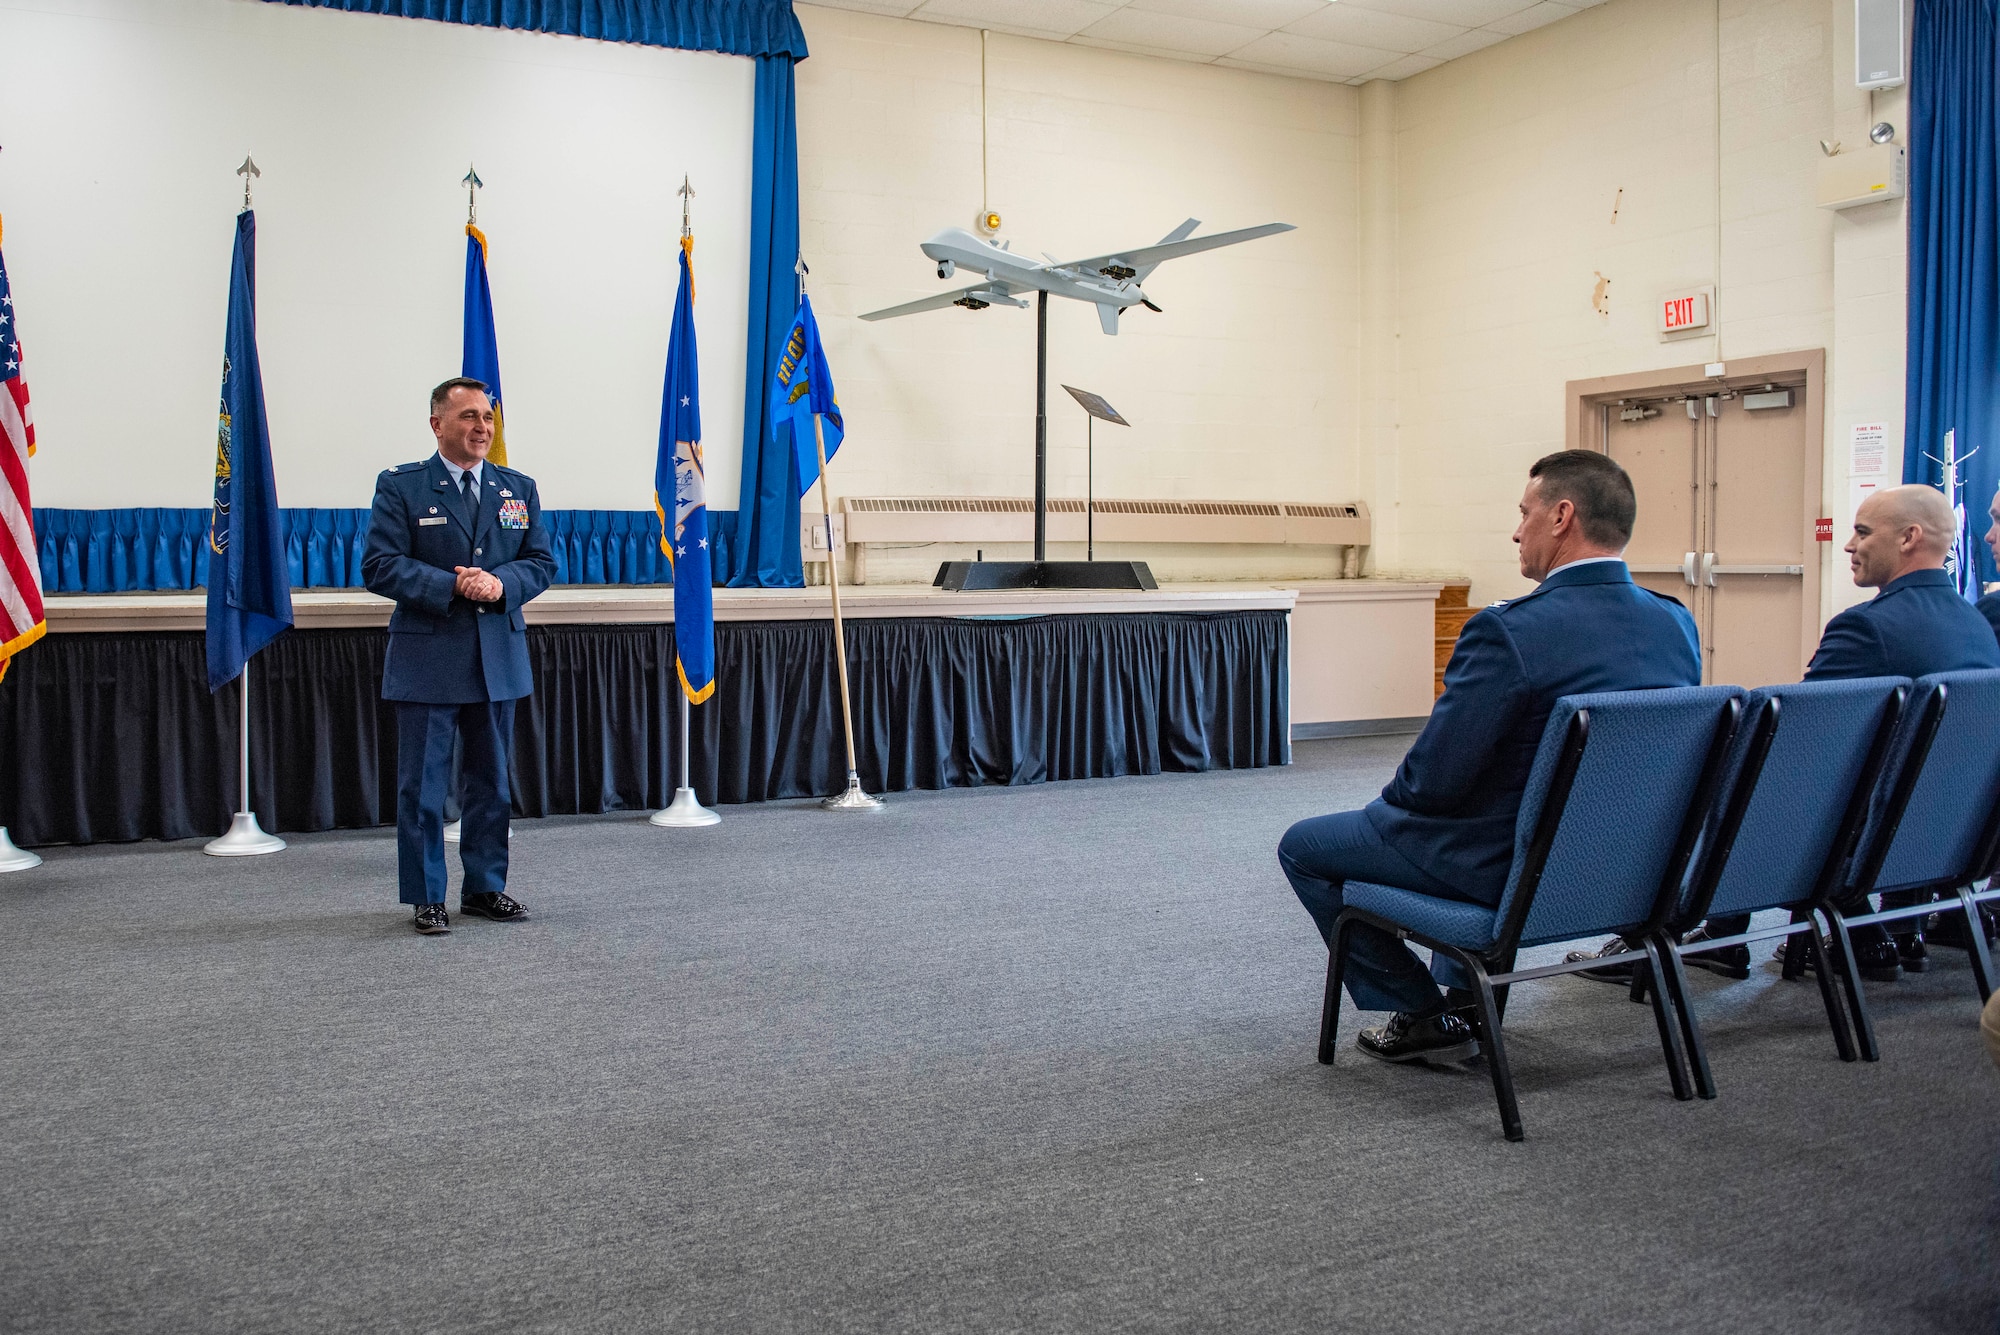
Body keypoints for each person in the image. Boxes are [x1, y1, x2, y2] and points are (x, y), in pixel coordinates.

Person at [1279, 450, 1700, 1065]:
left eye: (1523, 512)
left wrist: (1386, 816)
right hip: (1624, 863)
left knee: (1306, 847)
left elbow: (1432, 783)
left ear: (1561, 517)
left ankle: (1424, 1011)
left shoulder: (1510, 630)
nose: (1514, 529)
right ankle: (1468, 1000)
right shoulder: (1674, 623)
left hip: (1504, 865)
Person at [1580, 485, 2000, 983]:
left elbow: (1795, 740)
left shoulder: (1868, 628)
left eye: (1862, 532)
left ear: (1909, 538)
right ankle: (1872, 934)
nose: (1848, 545)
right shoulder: (1975, 625)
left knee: (1710, 782)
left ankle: (1683, 941)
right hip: (1946, 833)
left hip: (1865, 836)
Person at [362, 378, 555, 935]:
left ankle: (485, 887)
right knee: (422, 788)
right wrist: (453, 586)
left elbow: (541, 562)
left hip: (497, 656)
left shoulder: (516, 487)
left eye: (488, 418)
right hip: (429, 659)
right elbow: (379, 565)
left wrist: (498, 585)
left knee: (491, 784)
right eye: (469, 416)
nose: (482, 427)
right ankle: (426, 895)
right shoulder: (401, 486)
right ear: (436, 424)